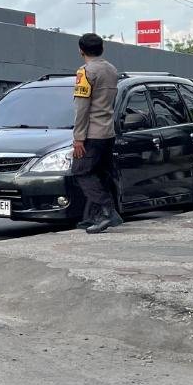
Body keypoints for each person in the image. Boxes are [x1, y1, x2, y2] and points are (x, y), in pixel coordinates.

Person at [72, 33, 121, 234]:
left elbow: (82, 107)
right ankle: (92, 216)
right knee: (100, 173)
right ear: (102, 49)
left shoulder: (85, 72)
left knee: (81, 171)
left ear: (81, 50)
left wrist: (78, 138)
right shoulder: (111, 69)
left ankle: (107, 211)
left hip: (91, 133)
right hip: (108, 131)